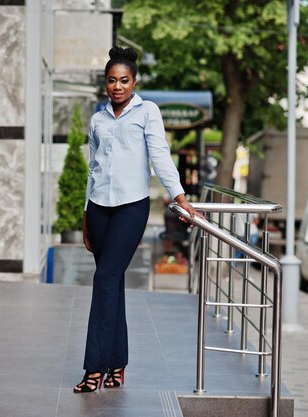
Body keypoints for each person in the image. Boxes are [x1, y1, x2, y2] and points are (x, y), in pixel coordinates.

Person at [73, 46, 199, 393]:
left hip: (131, 208)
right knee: (112, 287)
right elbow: (93, 170)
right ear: (105, 83)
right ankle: (117, 364)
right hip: (99, 209)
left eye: (124, 80)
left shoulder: (148, 112)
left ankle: (94, 368)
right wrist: (86, 214)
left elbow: (159, 154)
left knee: (104, 279)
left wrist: (179, 196)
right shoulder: (98, 120)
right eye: (112, 80)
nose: (117, 86)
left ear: (134, 82)